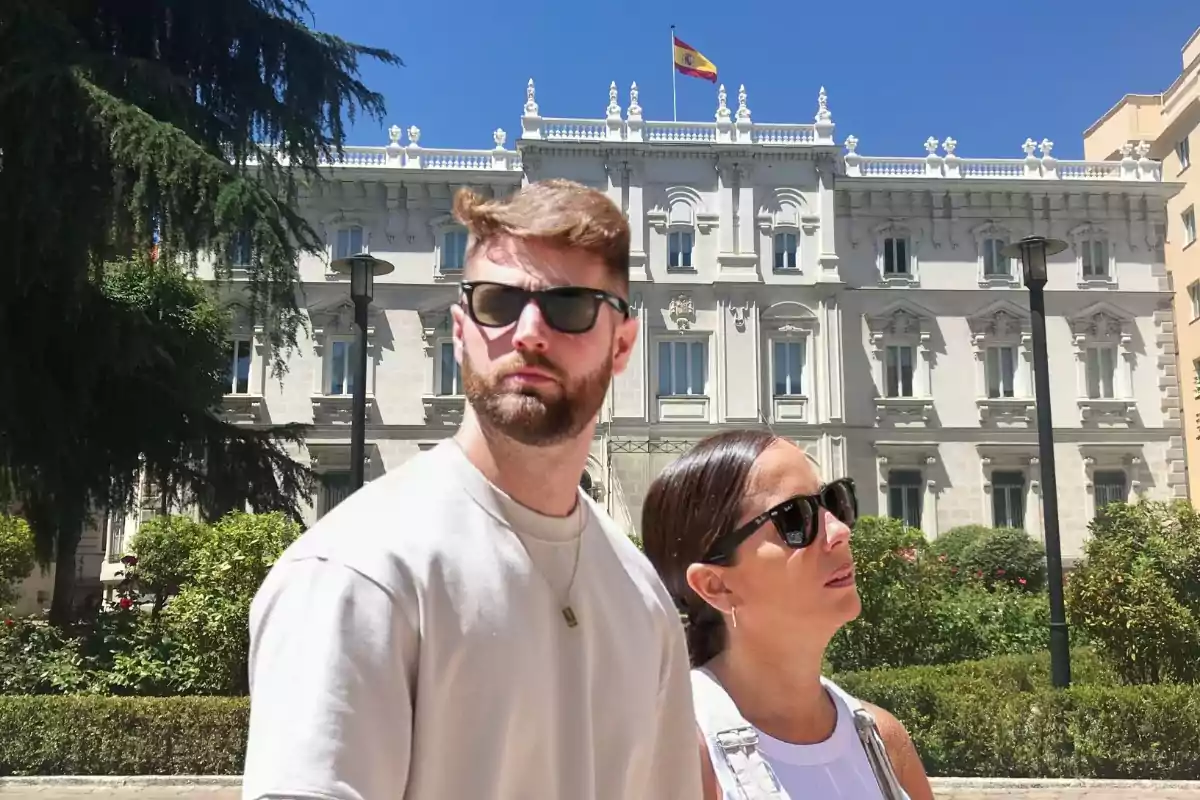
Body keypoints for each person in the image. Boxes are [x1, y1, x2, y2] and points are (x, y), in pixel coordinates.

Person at [242, 179, 701, 800]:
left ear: (622, 344)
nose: (530, 332)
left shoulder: (642, 598)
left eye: (569, 306)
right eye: (498, 303)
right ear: (461, 331)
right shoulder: (358, 572)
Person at [641, 430, 934, 800]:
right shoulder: (677, 753)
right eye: (796, 518)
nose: (840, 530)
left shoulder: (883, 741)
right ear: (716, 585)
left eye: (834, 502)